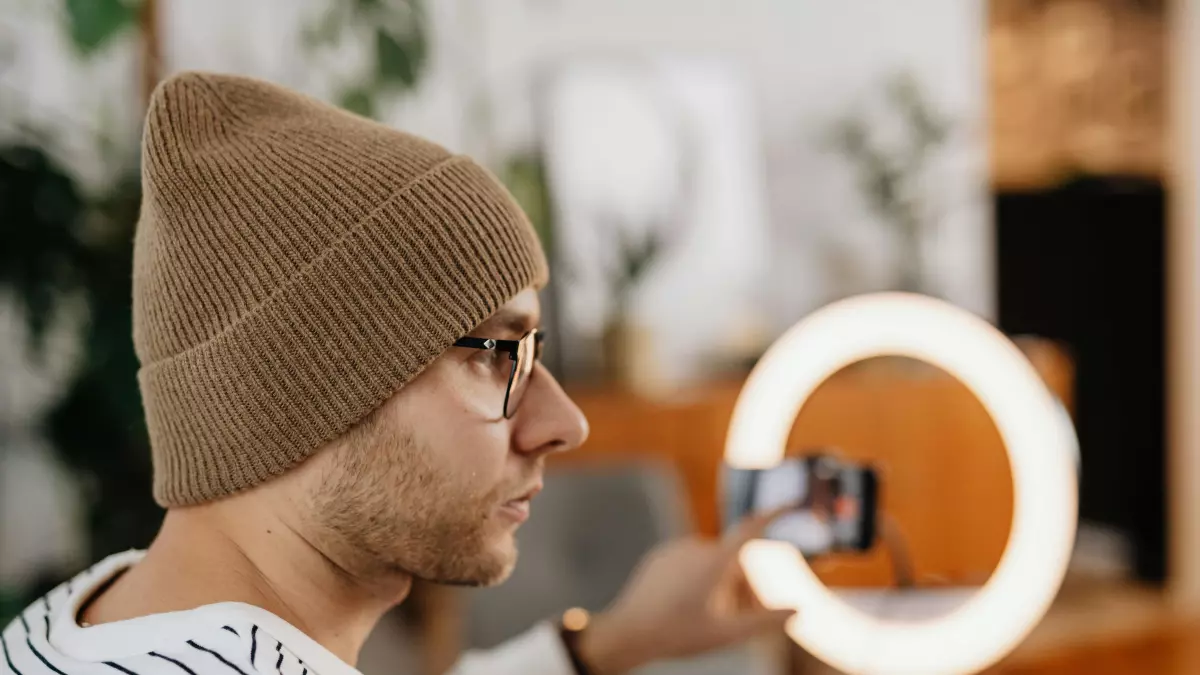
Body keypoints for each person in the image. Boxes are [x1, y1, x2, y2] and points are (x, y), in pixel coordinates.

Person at [0, 72, 795, 675]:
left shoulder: (86, 618)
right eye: (492, 352)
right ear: (301, 384)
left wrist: (610, 642)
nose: (565, 422)